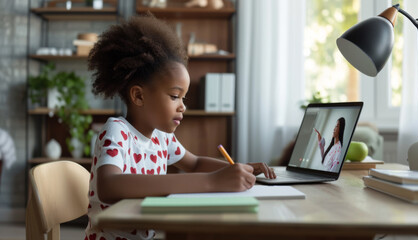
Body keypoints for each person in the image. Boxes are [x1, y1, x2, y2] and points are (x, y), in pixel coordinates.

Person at [85, 14, 276, 240]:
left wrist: (238, 169)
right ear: (138, 95)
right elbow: (110, 186)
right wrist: (212, 181)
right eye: (175, 96)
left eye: (183, 98)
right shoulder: (117, 131)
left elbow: (194, 164)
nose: (182, 106)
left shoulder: (161, 138)